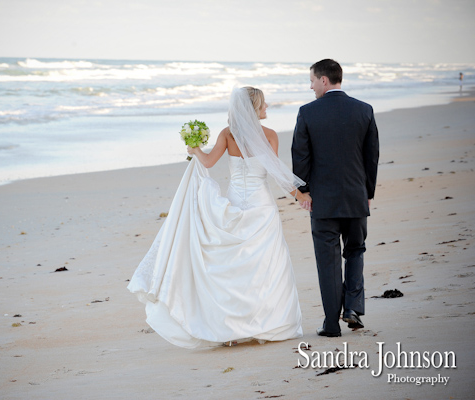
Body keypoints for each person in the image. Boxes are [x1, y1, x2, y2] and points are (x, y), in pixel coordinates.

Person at [127, 87, 310, 348]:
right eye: (264, 104)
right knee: (266, 267)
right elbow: (277, 172)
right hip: (262, 207)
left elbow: (208, 163)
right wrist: (299, 195)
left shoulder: (228, 135)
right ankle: (267, 325)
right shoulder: (269, 135)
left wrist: (195, 148)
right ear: (254, 108)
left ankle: (231, 328)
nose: (267, 107)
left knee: (234, 266)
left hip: (235, 203)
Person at [292, 59, 379, 337]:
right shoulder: (364, 110)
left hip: (323, 202)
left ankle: (331, 325)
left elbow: (300, 156)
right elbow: (371, 157)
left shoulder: (307, 112)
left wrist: (303, 191)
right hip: (355, 197)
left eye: (312, 81)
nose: (311, 86)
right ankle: (352, 308)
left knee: (328, 261)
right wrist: (368, 193)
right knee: (355, 250)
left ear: (324, 80)